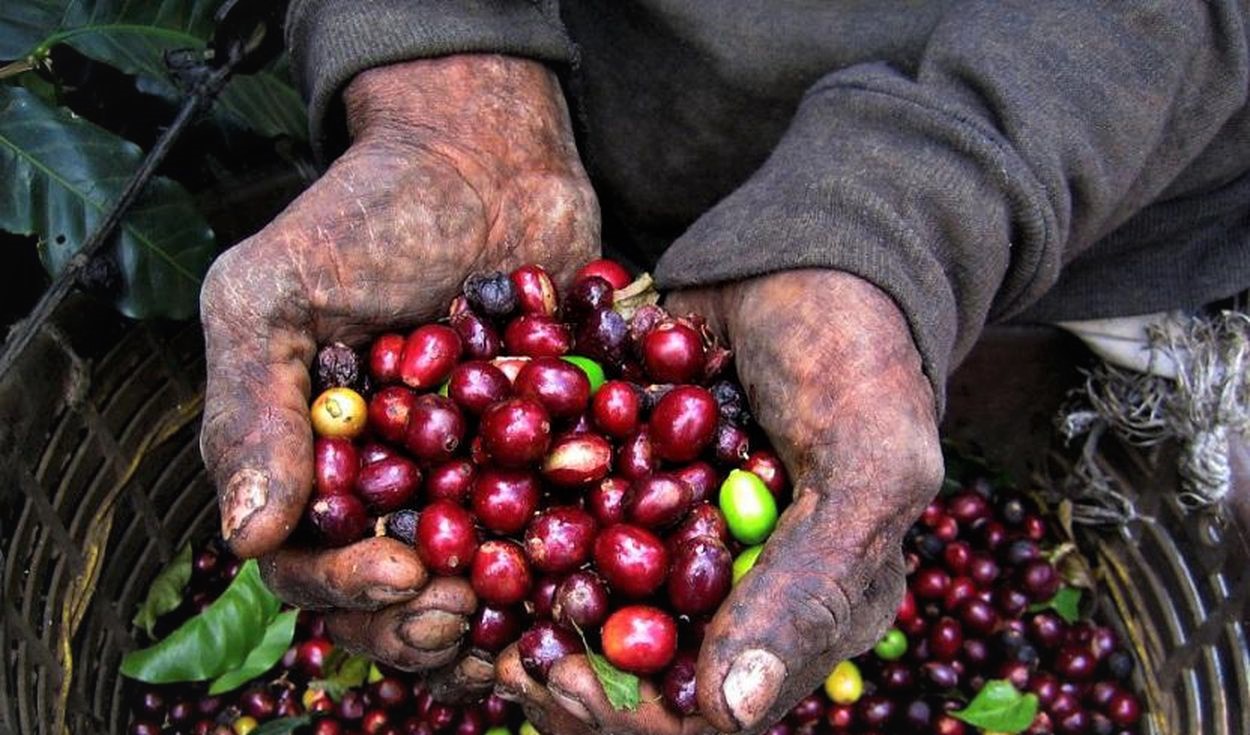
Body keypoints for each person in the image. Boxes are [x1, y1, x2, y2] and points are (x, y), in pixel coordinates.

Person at [197, 1, 1250, 733]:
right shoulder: (572, 415)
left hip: (1094, 168)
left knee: (925, 451)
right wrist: (440, 63)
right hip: (599, 102)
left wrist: (907, 227)